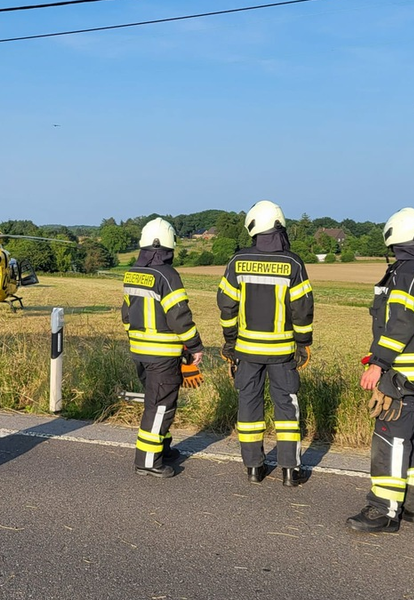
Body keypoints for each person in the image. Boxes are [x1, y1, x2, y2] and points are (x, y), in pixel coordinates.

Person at [346, 207, 414, 533]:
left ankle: (384, 510)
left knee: (389, 439)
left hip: (403, 372)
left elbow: (401, 322)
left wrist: (378, 363)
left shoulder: (406, 273)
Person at [217, 200, 313, 487]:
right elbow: (303, 308)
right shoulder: (293, 263)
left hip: (246, 350)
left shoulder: (237, 262)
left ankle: (253, 468)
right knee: (287, 409)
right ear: (280, 227)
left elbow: (226, 305)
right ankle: (288, 471)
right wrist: (303, 343)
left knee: (248, 406)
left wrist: (230, 342)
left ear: (253, 229)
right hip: (283, 352)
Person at [122, 217, 204, 478]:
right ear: (170, 246)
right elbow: (179, 315)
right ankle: (147, 461)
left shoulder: (133, 272)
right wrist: (194, 346)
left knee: (157, 400)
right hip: (163, 354)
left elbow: (126, 312)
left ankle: (163, 447)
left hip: (140, 352)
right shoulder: (167, 275)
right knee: (160, 406)